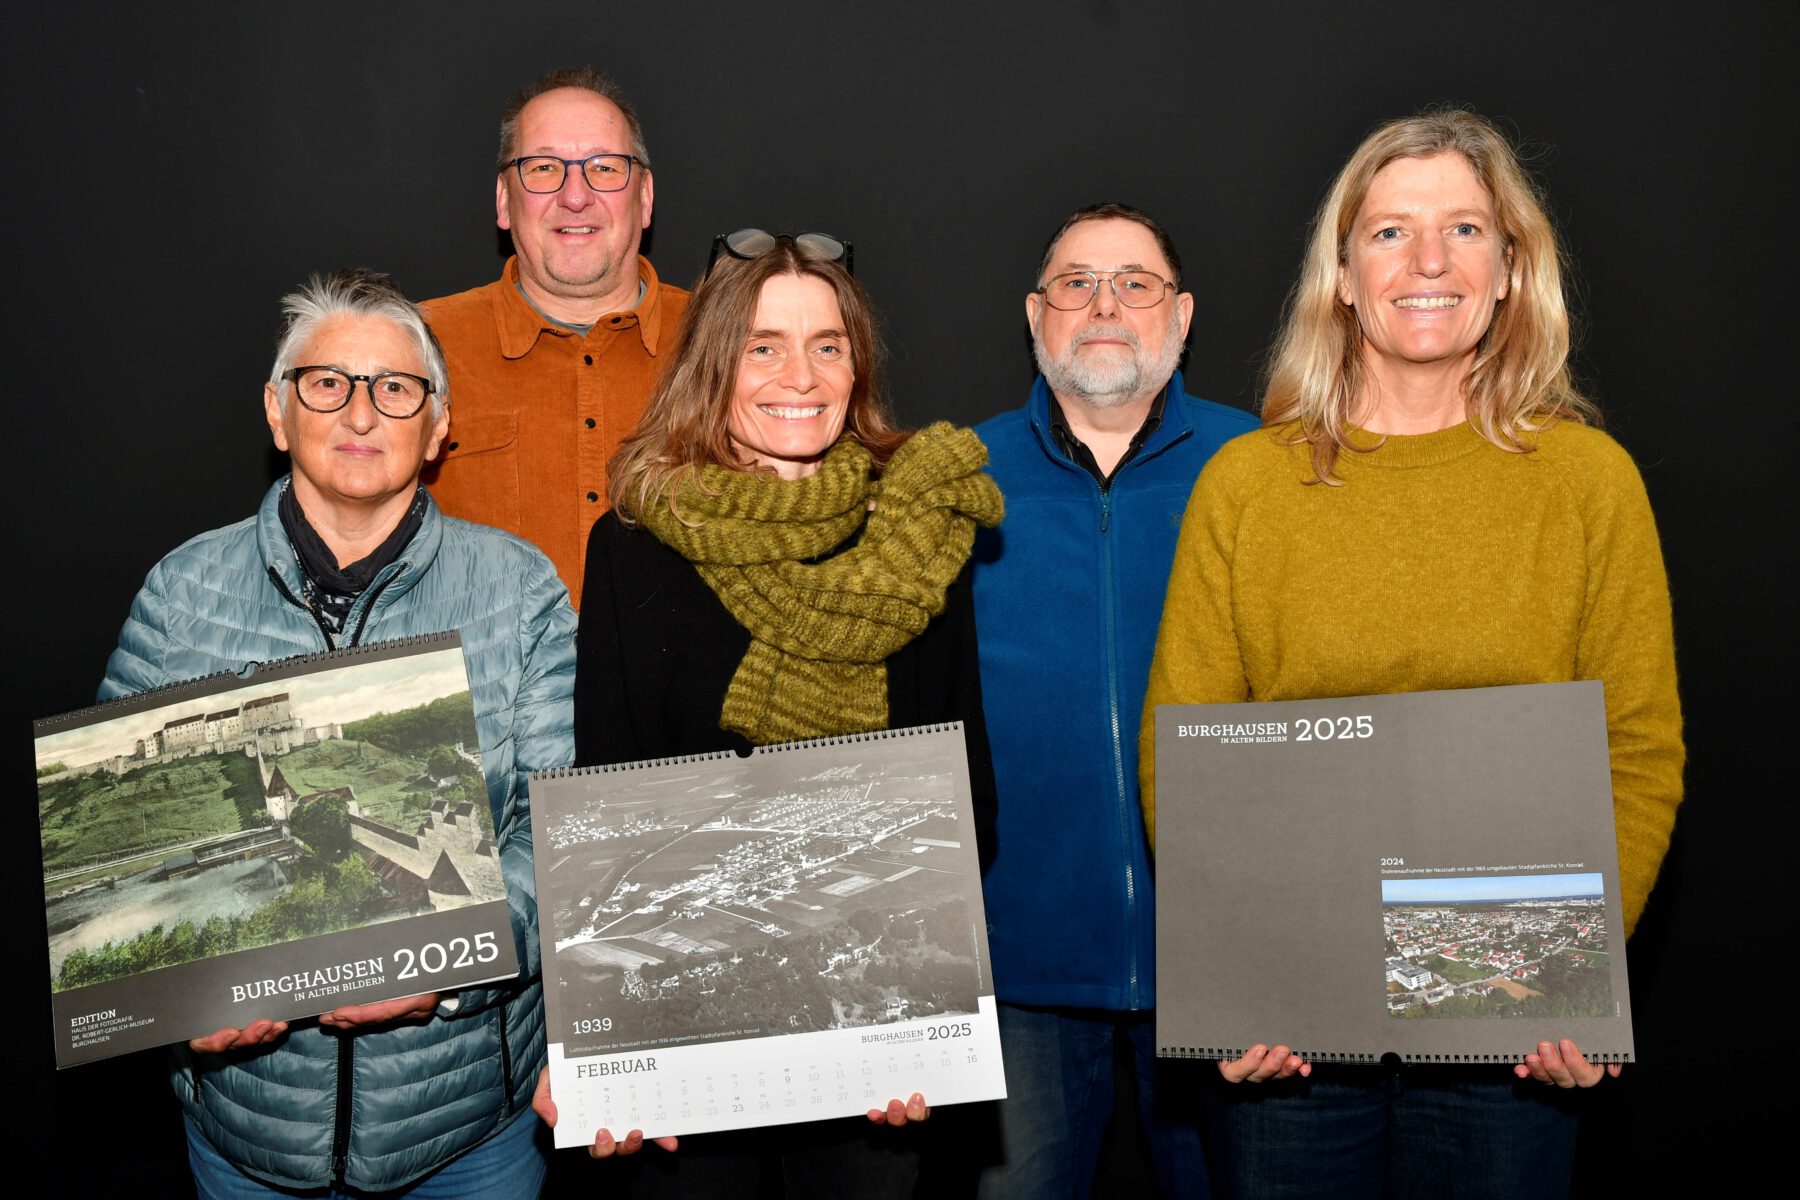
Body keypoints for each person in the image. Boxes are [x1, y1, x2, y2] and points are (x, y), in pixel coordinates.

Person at [1139, 109, 1684, 1196]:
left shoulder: (1589, 484)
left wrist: (1571, 974)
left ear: (1510, 267)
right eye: (1390, 232)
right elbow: (1184, 753)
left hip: (1510, 1031)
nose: (1428, 262)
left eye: (1465, 230)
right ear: (1342, 275)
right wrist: (1239, 976)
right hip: (1295, 1036)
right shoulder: (1248, 486)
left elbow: (1637, 750)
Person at [100, 269, 576, 1197]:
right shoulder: (181, 590)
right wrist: (173, 1005)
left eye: (396, 389)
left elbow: (558, 837)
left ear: (439, 428)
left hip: (465, 1133)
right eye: (328, 383)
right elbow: (140, 816)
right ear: (278, 412)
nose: (361, 414)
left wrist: (449, 968)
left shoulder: (521, 591)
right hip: (249, 1136)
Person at [564, 231, 1002, 1197]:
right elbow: (607, 802)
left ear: (859, 367)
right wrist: (611, 1044)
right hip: (687, 1042)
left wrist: (919, 1007)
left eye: (828, 345)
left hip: (871, 1048)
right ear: (715, 365)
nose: (799, 375)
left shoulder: (919, 529)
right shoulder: (633, 550)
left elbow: (965, 794)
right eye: (764, 346)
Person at [970, 203, 1255, 1198]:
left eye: (1133, 283)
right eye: (1075, 283)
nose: (1104, 304)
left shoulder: (1262, 469)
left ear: (1180, 315)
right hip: (1016, 973)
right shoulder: (953, 480)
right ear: (1035, 316)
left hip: (1231, 965)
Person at [423, 67, 689, 608]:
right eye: (543, 168)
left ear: (644, 197)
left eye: (604, 167)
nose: (575, 196)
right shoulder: (416, 347)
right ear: (503, 199)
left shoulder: (730, 340)